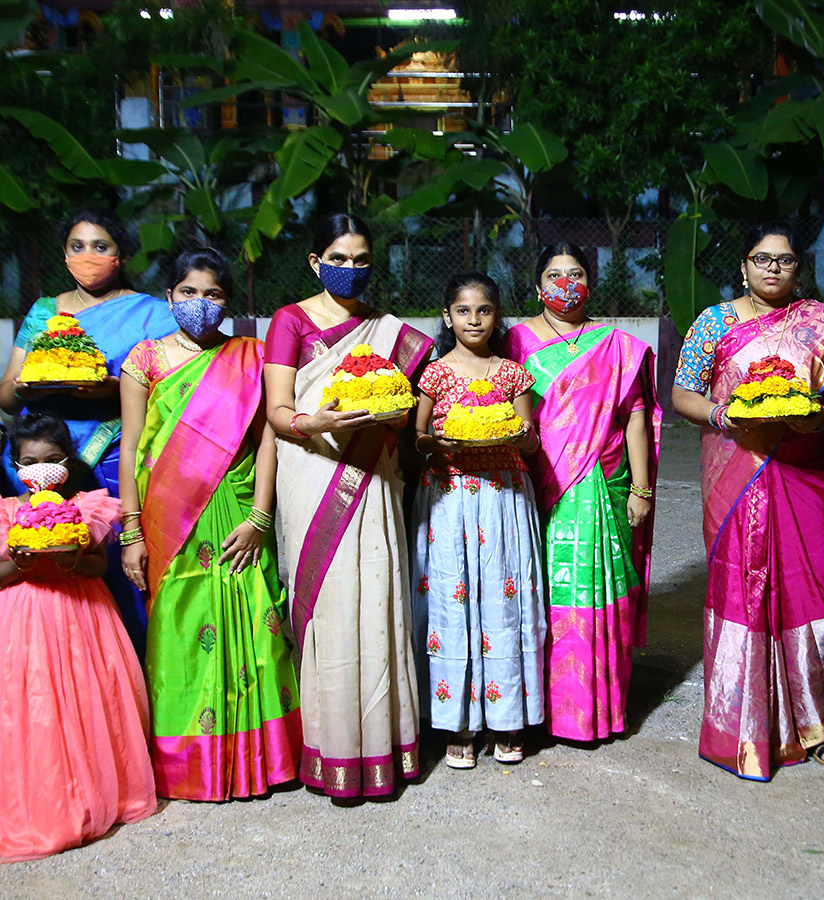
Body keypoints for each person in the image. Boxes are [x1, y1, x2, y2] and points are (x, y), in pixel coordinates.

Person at [672, 222, 824, 779]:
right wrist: (721, 414)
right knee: (742, 586)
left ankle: (816, 723)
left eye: (784, 260)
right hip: (738, 473)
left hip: (807, 473)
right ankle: (739, 723)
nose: (773, 268)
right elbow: (684, 392)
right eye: (762, 259)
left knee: (810, 588)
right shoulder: (714, 322)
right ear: (744, 266)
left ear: (797, 267)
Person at [118, 248, 302, 800]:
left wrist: (260, 517)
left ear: (229, 302)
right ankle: (189, 767)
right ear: (170, 295)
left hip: (238, 509)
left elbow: (269, 437)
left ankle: (263, 760)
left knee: (257, 625)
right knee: (179, 627)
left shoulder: (250, 355)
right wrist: (130, 533)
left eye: (214, 294)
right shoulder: (144, 360)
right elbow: (130, 452)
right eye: (189, 292)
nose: (201, 303)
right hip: (170, 516)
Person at [264, 212, 432, 799]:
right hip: (313, 470)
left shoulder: (388, 333)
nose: (351, 269)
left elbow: (408, 406)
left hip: (375, 474)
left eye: (362, 260)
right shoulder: (290, 321)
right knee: (330, 607)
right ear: (316, 262)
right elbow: (278, 412)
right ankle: (331, 750)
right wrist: (318, 422)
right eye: (338, 259)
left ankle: (383, 748)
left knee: (377, 595)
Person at [0, 208, 177, 657]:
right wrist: (26, 386)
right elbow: (7, 398)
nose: (88, 256)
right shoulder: (44, 312)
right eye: (77, 246)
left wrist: (113, 387)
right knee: (48, 574)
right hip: (39, 459)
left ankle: (130, 675)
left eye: (101, 246)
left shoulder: (149, 314)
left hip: (117, 454)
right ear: (63, 255)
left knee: (119, 571)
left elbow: (171, 392)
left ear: (121, 255)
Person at [505, 241, 660, 743]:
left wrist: (641, 489)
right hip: (542, 480)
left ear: (590, 283)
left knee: (601, 588)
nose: (565, 284)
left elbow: (635, 418)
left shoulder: (614, 345)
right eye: (555, 275)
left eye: (575, 274)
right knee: (545, 592)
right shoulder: (517, 340)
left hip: (604, 479)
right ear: (537, 286)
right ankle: (545, 709)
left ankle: (599, 708)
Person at [0, 413, 156, 860]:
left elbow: (96, 566)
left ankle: (100, 791)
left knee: (89, 699)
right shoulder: (7, 512)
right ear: (15, 464)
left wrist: (70, 561)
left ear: (67, 462)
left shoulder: (88, 506)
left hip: (82, 612)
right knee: (36, 705)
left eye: (52, 460)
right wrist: (22, 563)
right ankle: (46, 802)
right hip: (24, 619)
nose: (41, 469)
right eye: (30, 461)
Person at [410, 272, 545, 768]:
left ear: (496, 316)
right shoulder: (434, 374)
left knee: (502, 599)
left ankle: (508, 717)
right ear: (448, 317)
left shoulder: (512, 373)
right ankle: (457, 723)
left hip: (503, 497)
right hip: (449, 495)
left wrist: (521, 435)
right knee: (452, 598)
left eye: (483, 310)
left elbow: (529, 437)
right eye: (463, 311)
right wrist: (436, 444)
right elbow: (419, 435)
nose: (473, 319)